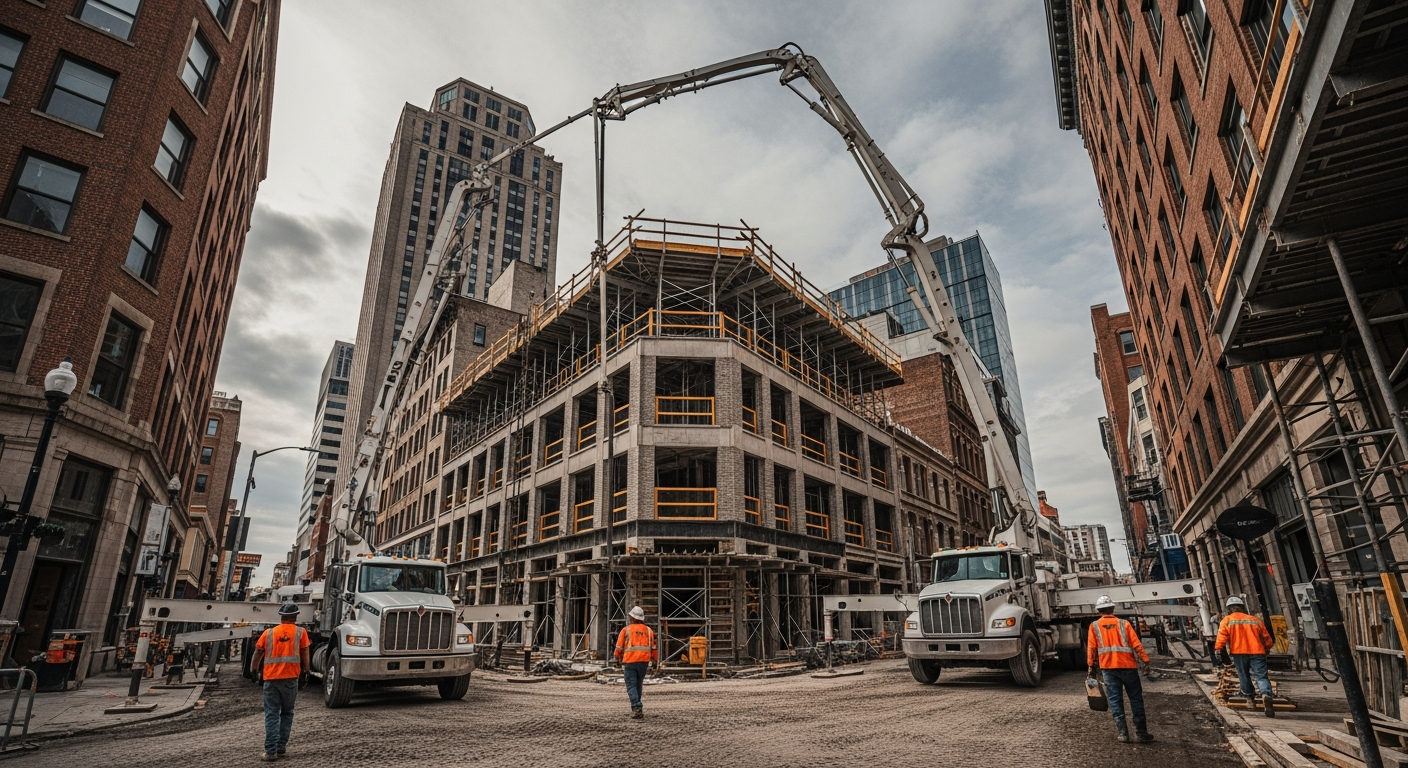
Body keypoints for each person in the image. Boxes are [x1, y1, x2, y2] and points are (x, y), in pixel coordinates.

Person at [1087, 595, 1154, 743]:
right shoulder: (1124, 624)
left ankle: (1123, 733)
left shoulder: (1095, 626)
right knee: (1136, 699)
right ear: (1112, 608)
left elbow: (1091, 648)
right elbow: (1136, 644)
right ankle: (1141, 733)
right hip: (1128, 667)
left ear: (1098, 610)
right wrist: (1146, 661)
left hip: (1108, 668)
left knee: (1115, 700)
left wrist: (1091, 666)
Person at [250, 602, 312, 761]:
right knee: (287, 712)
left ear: (282, 617)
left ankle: (270, 751)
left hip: (271, 679)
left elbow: (258, 652)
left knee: (271, 714)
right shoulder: (301, 632)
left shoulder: (269, 633)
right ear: (296, 617)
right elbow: (305, 653)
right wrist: (306, 670)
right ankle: (281, 747)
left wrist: (254, 670)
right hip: (290, 679)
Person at [1215, 595, 1277, 718]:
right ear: (1242, 607)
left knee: (1244, 675)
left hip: (1239, 653)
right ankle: (1266, 694)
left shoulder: (1227, 620)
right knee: (1261, 676)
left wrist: (1218, 649)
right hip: (1257, 652)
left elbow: (1222, 637)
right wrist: (1266, 648)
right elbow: (1266, 638)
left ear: (1229, 609)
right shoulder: (1255, 620)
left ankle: (1250, 700)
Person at [614, 605, 658, 719]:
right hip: (643, 662)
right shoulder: (649, 631)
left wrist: (617, 659)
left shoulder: (626, 630)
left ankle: (636, 707)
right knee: (638, 684)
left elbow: (619, 648)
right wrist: (655, 661)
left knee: (631, 685)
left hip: (630, 662)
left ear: (631, 617)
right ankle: (637, 706)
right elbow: (654, 648)